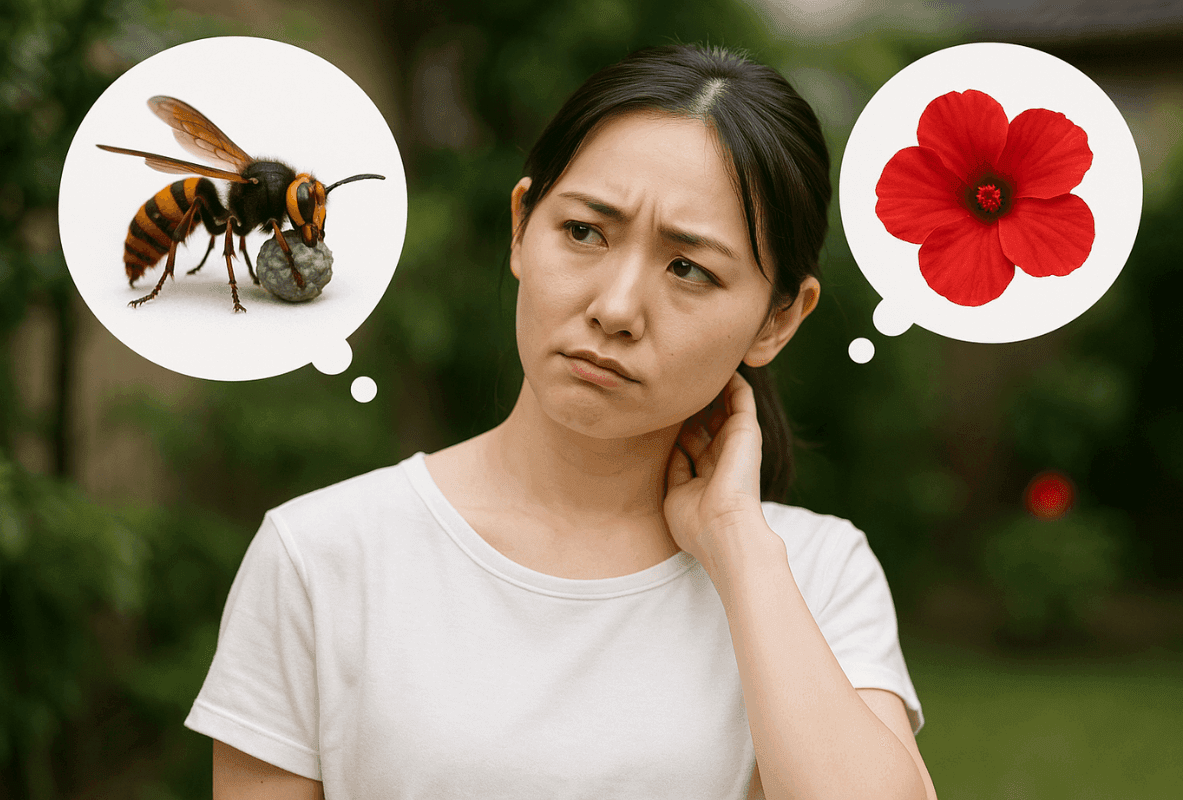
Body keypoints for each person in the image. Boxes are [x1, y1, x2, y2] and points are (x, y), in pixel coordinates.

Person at [185, 44, 938, 800]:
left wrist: (740, 547)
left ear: (778, 320)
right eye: (584, 232)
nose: (614, 308)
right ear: (521, 227)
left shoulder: (815, 573)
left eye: (689, 269)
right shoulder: (322, 556)